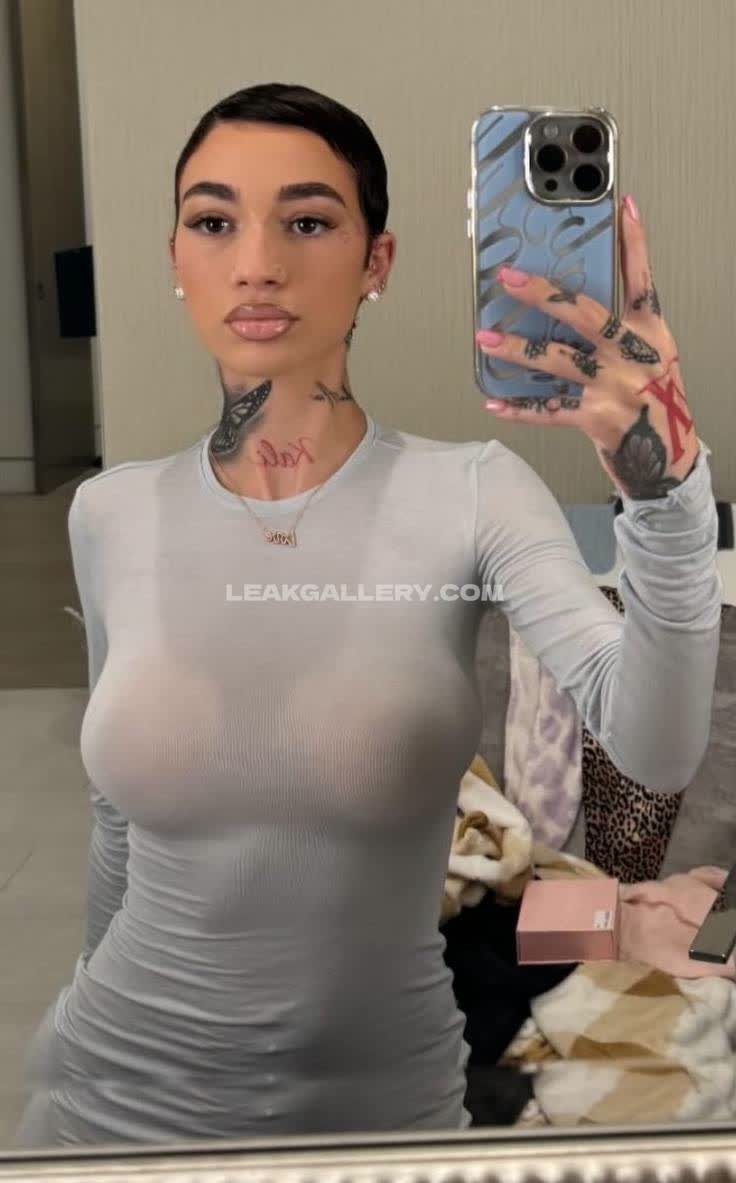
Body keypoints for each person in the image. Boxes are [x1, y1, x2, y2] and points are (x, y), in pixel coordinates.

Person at [14, 82, 721, 1147]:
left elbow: (654, 748)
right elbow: (117, 824)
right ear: (175, 259)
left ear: (376, 262)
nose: (257, 262)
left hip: (381, 1114)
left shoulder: (474, 491)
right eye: (214, 222)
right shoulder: (109, 511)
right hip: (108, 1105)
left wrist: (665, 498)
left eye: (307, 222)